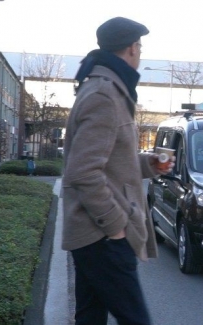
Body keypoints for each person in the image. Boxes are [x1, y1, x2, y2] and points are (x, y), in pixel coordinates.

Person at [61, 17, 174, 325]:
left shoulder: (104, 90)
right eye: (140, 46)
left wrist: (147, 164)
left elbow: (107, 163)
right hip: (102, 236)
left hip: (94, 234)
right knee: (135, 319)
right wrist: (116, 227)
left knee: (90, 317)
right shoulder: (105, 96)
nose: (140, 53)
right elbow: (83, 172)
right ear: (131, 49)